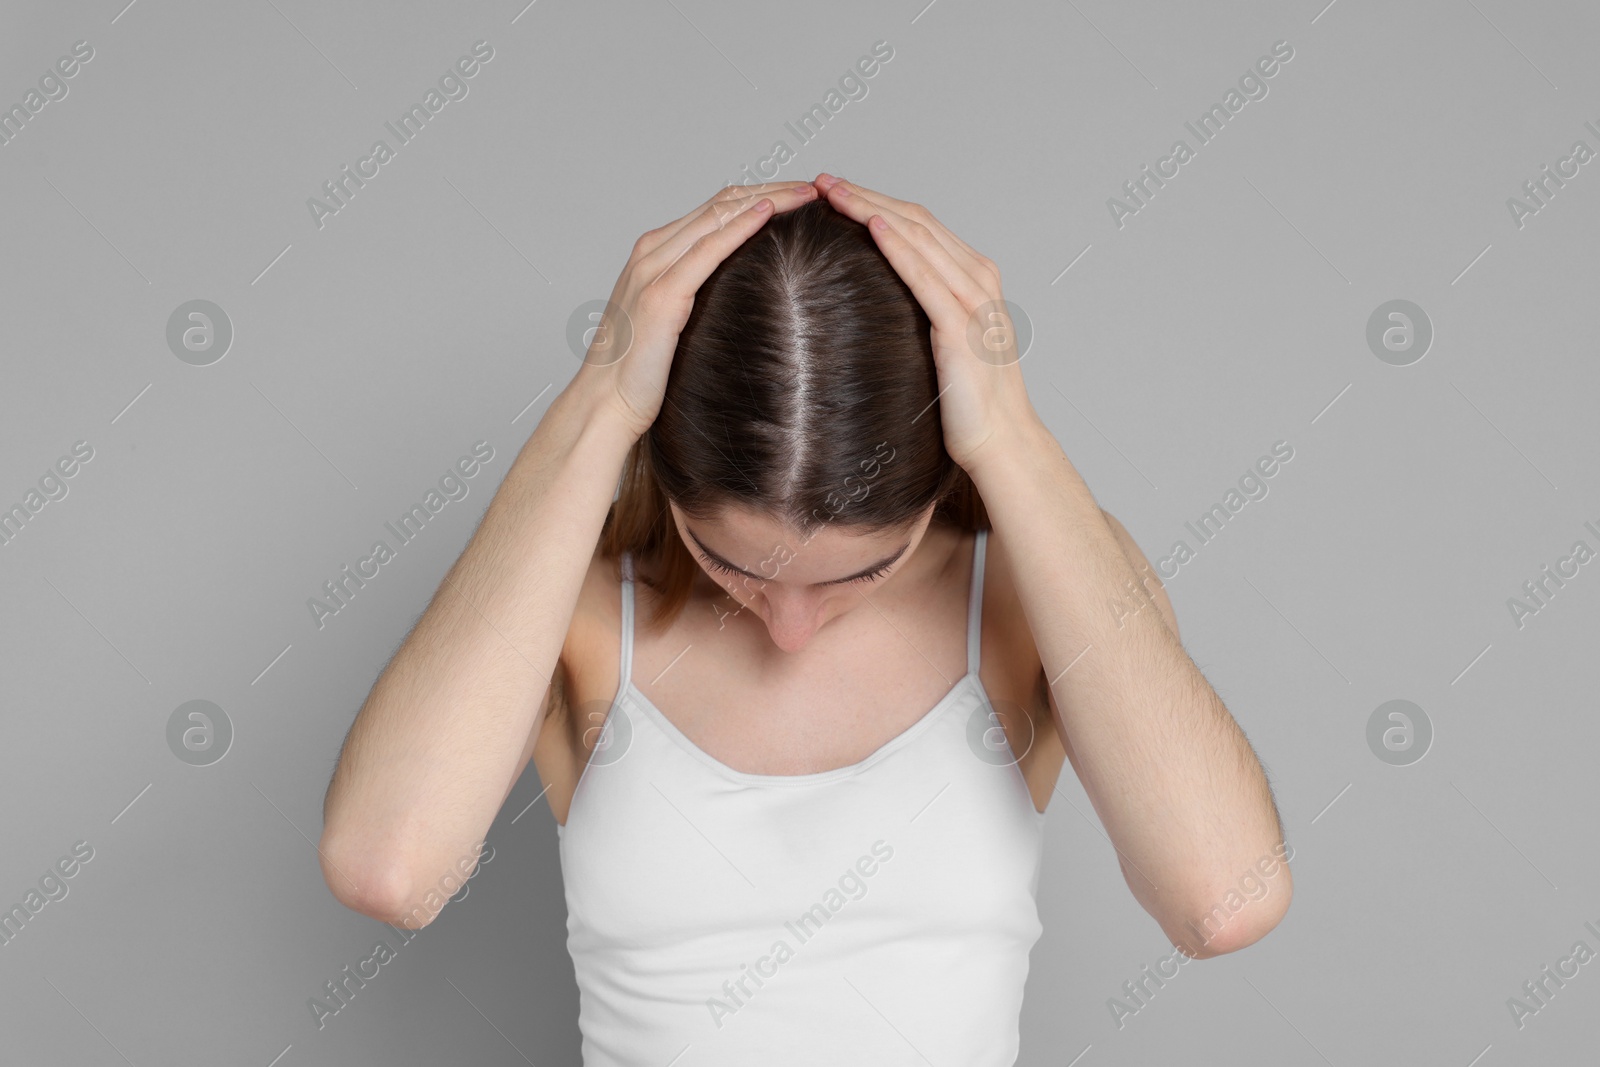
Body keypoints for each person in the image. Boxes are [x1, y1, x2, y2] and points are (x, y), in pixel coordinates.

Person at [317, 174, 1292, 1064]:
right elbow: (389, 868)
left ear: (938, 485)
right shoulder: (573, 610)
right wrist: (604, 398)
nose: (787, 626)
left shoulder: (1028, 596)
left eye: (857, 571)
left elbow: (1220, 900)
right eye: (729, 561)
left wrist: (1009, 435)